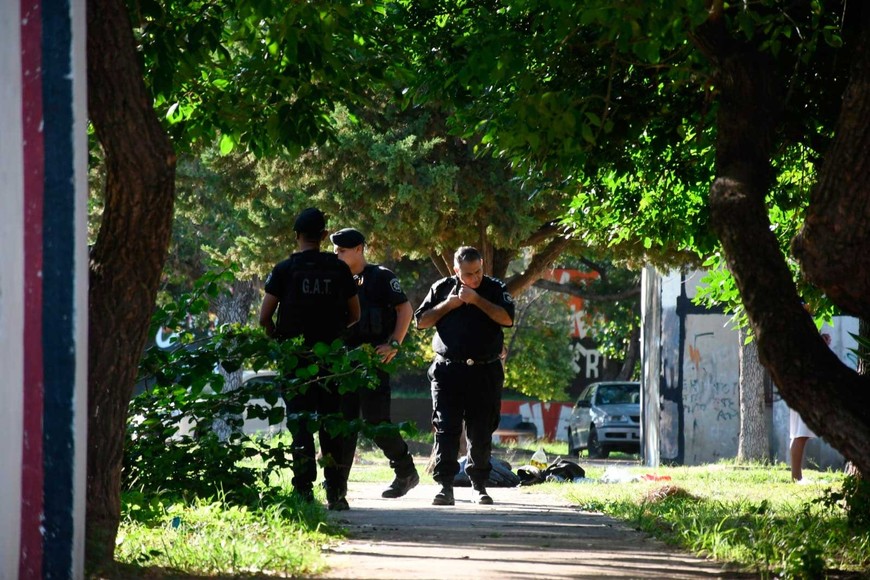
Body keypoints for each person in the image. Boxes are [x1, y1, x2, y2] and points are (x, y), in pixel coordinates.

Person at [258, 207, 361, 510]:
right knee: (331, 424)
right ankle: (336, 492)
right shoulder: (340, 270)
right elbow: (355, 315)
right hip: (331, 361)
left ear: (297, 235)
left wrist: (280, 341)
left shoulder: (284, 269)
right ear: (324, 236)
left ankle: (303, 490)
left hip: (295, 359)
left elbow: (265, 316)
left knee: (300, 425)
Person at [414, 246, 515, 506]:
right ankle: (445, 486)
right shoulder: (441, 288)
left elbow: (506, 318)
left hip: (484, 371)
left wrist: (476, 299)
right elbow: (421, 321)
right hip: (449, 371)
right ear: (456, 271)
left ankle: (479, 485)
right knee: (446, 428)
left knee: (481, 431)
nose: (475, 277)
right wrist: (451, 303)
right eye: (469, 274)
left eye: (479, 271)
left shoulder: (494, 288)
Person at [330, 228, 420, 498]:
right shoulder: (335, 278)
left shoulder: (381, 277)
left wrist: (394, 343)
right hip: (343, 362)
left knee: (376, 423)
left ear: (359, 249)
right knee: (343, 424)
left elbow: (405, 309)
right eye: (335, 250)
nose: (337, 254)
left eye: (342, 250)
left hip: (372, 360)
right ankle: (337, 487)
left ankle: (406, 472)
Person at [789, 332, 827, 482]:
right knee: (801, 434)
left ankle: (797, 476)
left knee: (800, 434)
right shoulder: (795, 334)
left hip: (800, 389)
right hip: (802, 389)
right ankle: (796, 477)